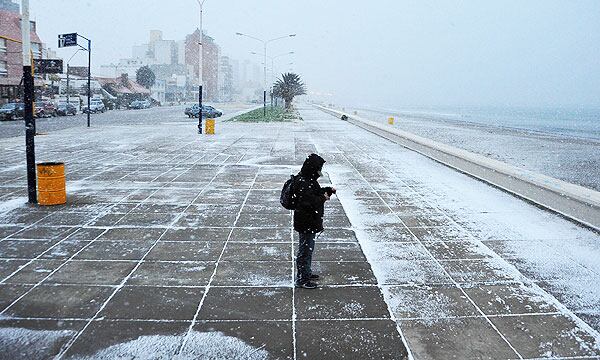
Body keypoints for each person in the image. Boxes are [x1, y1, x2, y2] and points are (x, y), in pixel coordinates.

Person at [294, 153, 336, 289]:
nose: (320, 172)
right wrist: (323, 198)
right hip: (306, 222)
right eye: (318, 168)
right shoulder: (304, 182)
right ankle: (302, 279)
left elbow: (315, 193)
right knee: (305, 251)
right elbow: (309, 202)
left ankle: (306, 272)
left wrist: (327, 190)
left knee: (308, 249)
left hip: (309, 222)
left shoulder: (309, 180)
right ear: (313, 168)